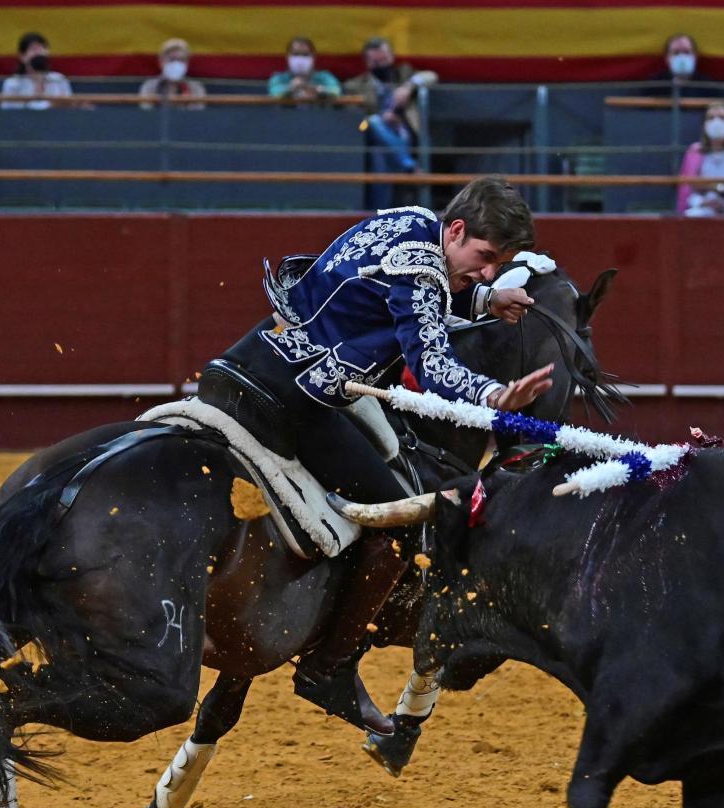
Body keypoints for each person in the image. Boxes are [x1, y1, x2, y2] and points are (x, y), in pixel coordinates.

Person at [199, 177, 550, 731]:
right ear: (455, 230)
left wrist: (484, 298)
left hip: (247, 363)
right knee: (405, 518)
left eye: (496, 264)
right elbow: (431, 363)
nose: (487, 270)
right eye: (484, 259)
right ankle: (327, 669)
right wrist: (492, 396)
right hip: (300, 398)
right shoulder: (426, 269)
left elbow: (406, 289)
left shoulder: (412, 220)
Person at [343, 37, 438, 210]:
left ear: (391, 57)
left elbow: (432, 76)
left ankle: (382, 214)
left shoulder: (405, 73)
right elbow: (354, 118)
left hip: (405, 133)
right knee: (375, 128)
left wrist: (408, 87)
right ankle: (409, 167)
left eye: (384, 60)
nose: (381, 65)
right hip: (372, 136)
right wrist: (383, 117)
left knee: (382, 155)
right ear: (367, 62)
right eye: (375, 62)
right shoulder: (355, 86)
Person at [0, 32, 73, 110]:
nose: (39, 53)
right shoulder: (12, 84)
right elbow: (7, 113)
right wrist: (50, 105)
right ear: (22, 56)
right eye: (33, 49)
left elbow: (70, 108)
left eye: (42, 48)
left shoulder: (59, 79)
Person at [138, 38, 207, 110]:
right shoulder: (149, 87)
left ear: (187, 63)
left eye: (181, 60)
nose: (176, 64)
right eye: (172, 59)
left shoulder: (196, 88)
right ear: (161, 62)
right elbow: (146, 114)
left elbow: (197, 117)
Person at [268, 37, 341, 103]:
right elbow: (275, 94)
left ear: (313, 57)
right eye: (295, 54)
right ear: (287, 57)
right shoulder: (278, 78)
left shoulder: (325, 77)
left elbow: (335, 92)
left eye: (305, 55)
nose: (300, 59)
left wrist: (312, 88)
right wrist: (292, 88)